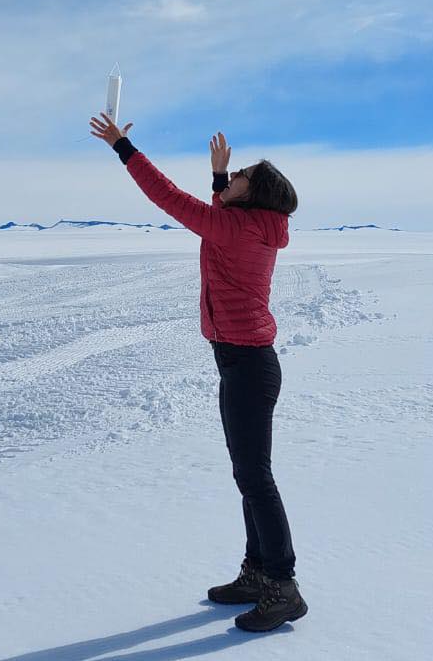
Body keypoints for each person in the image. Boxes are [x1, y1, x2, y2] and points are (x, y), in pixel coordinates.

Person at [88, 111, 307, 632]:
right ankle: (258, 573)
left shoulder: (234, 226)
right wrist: (218, 181)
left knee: (256, 478)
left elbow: (167, 197)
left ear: (252, 199)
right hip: (242, 361)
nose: (231, 181)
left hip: (247, 364)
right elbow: (216, 217)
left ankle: (283, 585)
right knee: (248, 475)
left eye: (240, 180)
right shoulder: (249, 225)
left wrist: (123, 147)